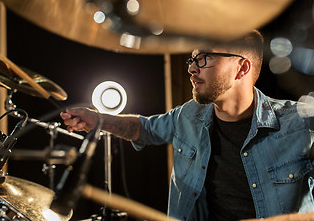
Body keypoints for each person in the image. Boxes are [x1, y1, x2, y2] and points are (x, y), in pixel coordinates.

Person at [60, 30, 314, 221]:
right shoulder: (189, 116)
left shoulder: (301, 124)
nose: (192, 68)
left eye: (204, 58)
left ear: (242, 68)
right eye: (192, 59)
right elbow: (144, 129)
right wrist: (99, 119)